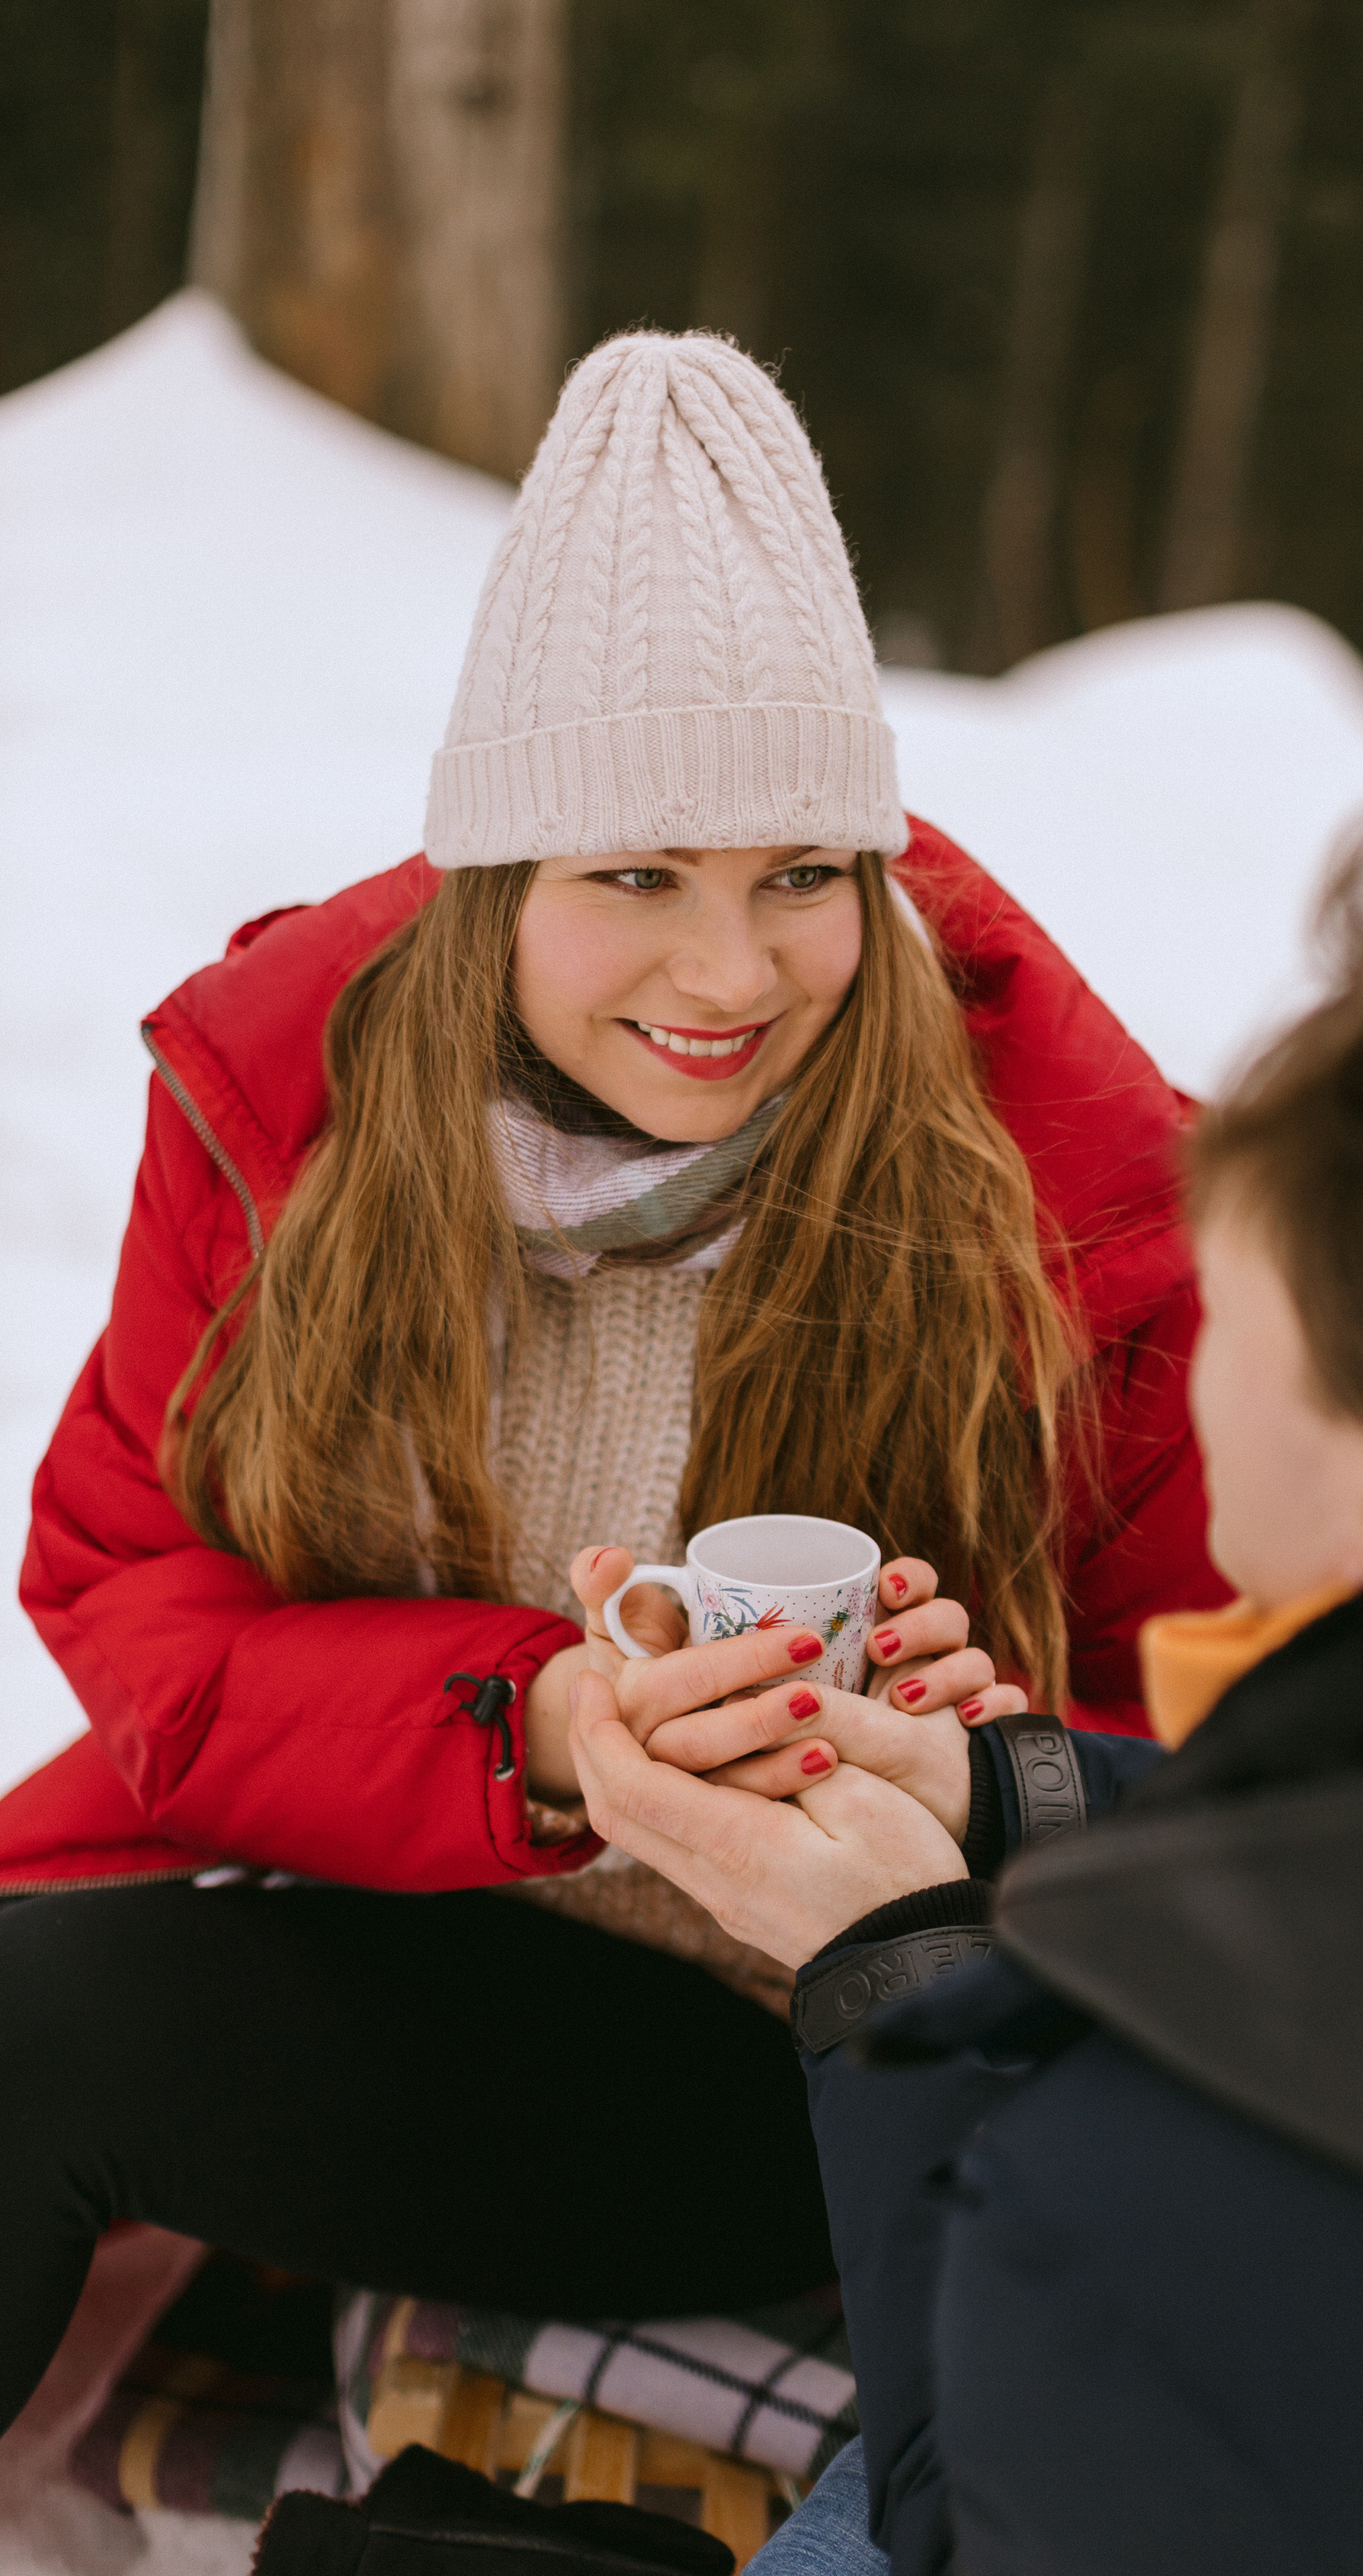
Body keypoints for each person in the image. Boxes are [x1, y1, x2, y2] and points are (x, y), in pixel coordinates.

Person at [0, 331, 1223, 2434]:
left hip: (829, 2055)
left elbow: (1246, 1761)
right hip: (402, 1912)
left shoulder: (1073, 1200)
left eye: (801, 875)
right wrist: (549, 1720)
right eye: (637, 875)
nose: (732, 976)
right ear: (499, 878)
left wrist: (970, 1773)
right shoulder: (283, 1101)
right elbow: (138, 1599)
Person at [565, 807, 1363, 2574]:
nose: (1190, 1368)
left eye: (1233, 1316)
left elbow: (989, 2501)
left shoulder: (1149, 2180)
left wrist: (897, 1977)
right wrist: (1009, 1794)